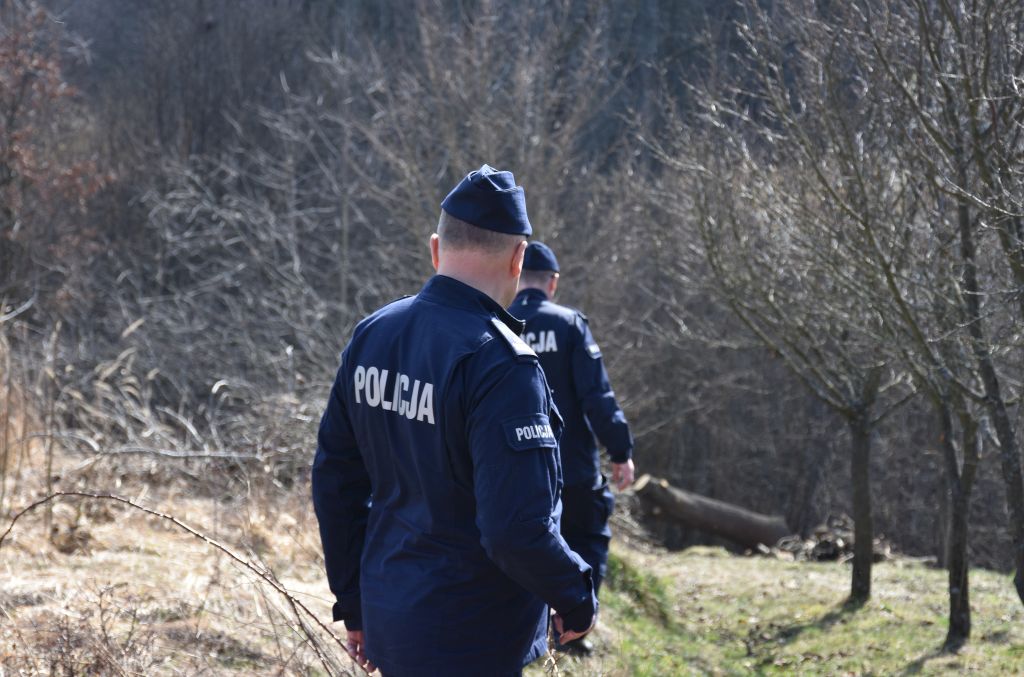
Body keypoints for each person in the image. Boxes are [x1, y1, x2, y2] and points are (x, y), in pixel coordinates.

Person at [312, 166, 597, 677]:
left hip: (389, 616)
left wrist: (354, 602)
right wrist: (574, 592)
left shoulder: (373, 335)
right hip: (473, 635)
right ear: (519, 258)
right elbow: (513, 529)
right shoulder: (502, 365)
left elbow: (335, 482)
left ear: (435, 249)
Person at [511, 241, 635, 655]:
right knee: (586, 541)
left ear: (515, 275)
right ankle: (573, 633)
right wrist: (621, 451)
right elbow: (597, 398)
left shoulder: (497, 322)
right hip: (573, 468)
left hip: (514, 468)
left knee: (523, 548)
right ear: (553, 283)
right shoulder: (569, 325)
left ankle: (529, 637)